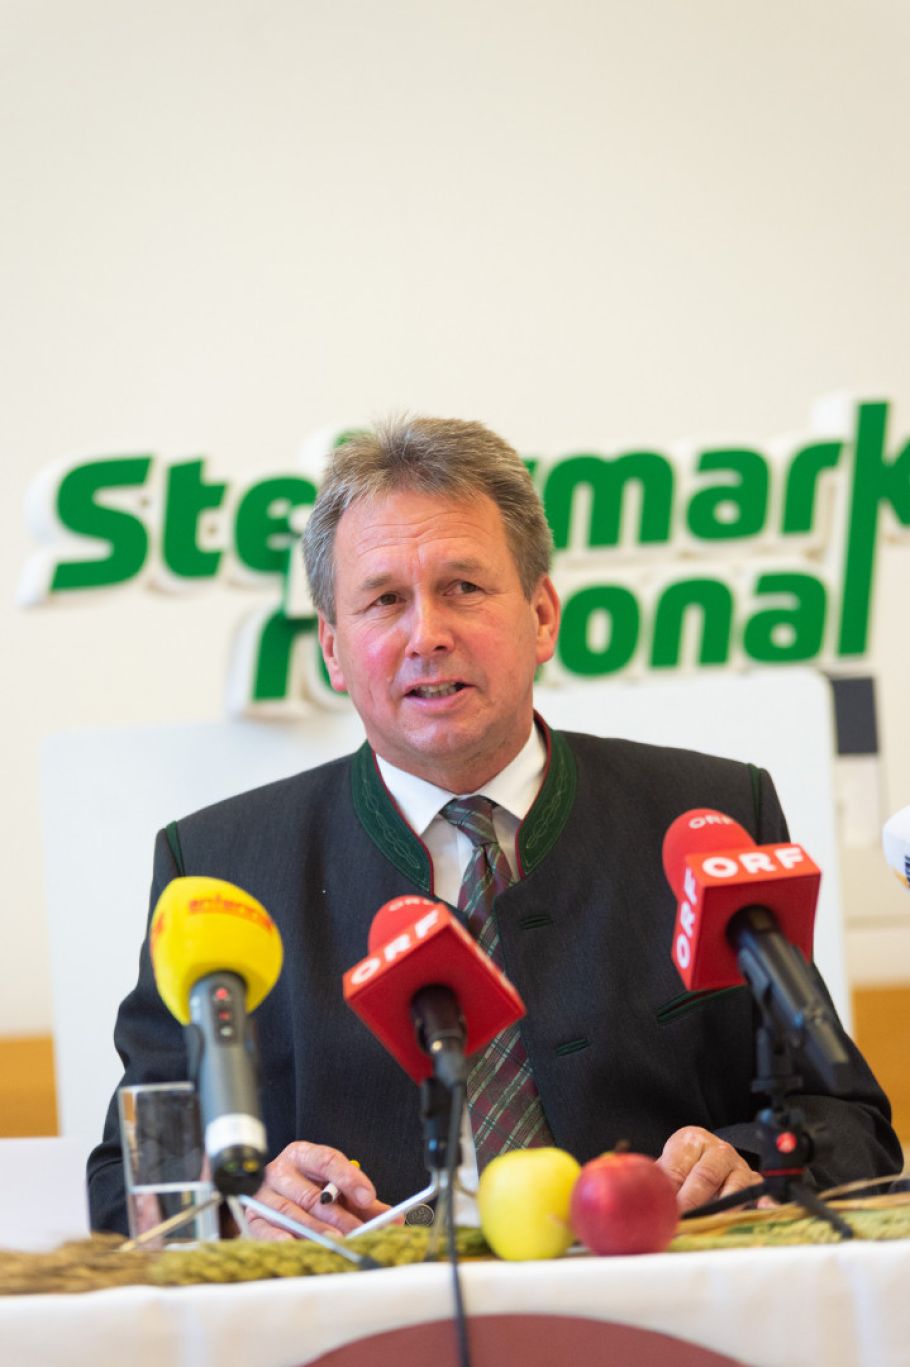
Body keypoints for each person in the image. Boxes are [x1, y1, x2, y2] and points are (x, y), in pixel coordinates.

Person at [87, 416, 902, 1238]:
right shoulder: (220, 868)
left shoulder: (710, 814)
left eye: (463, 588)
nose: (427, 635)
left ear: (542, 615)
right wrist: (245, 1204)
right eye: (385, 601)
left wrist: (749, 1163)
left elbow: (852, 1127)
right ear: (333, 649)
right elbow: (128, 1183)